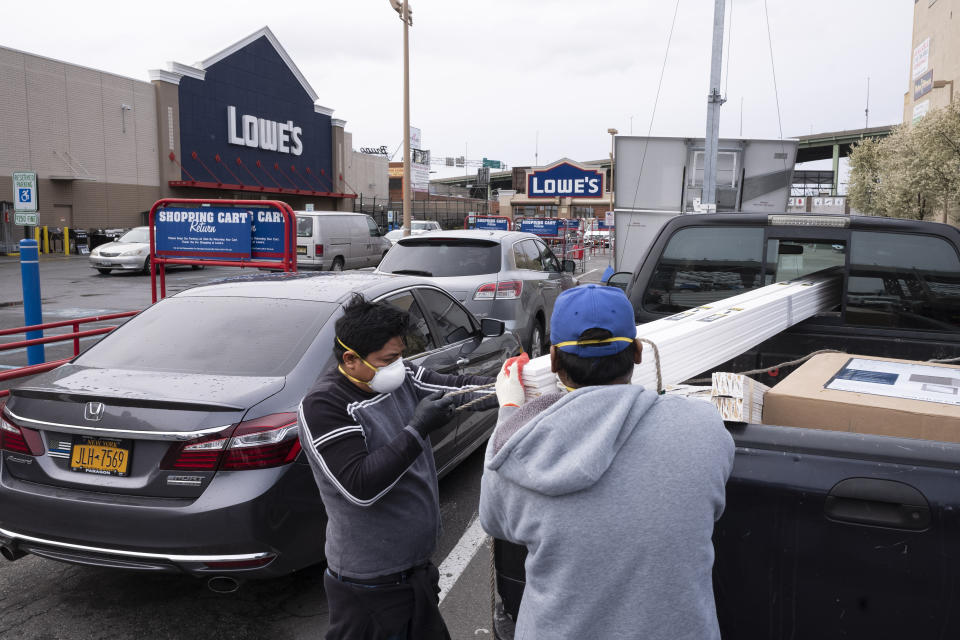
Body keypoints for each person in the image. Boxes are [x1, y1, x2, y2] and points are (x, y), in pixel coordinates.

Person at [479, 284, 735, 640]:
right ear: (638, 353)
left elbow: (496, 522)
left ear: (553, 361)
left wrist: (510, 412)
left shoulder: (517, 445)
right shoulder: (704, 428)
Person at [298, 294, 498, 640]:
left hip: (415, 570)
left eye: (401, 355)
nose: (399, 366)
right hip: (371, 584)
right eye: (388, 359)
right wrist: (417, 428)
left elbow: (459, 389)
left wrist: (516, 384)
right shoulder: (325, 406)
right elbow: (361, 486)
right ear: (351, 359)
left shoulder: (402, 376)